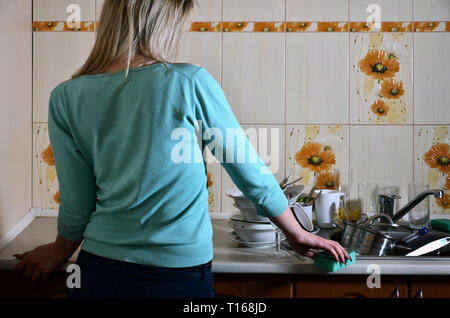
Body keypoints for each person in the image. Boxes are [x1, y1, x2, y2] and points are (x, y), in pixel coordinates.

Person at [14, 0, 350, 298]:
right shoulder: (189, 82)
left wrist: (60, 250)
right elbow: (248, 170)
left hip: (98, 271)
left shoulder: (65, 97)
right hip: (176, 274)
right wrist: (296, 232)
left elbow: (78, 201)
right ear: (161, 25)